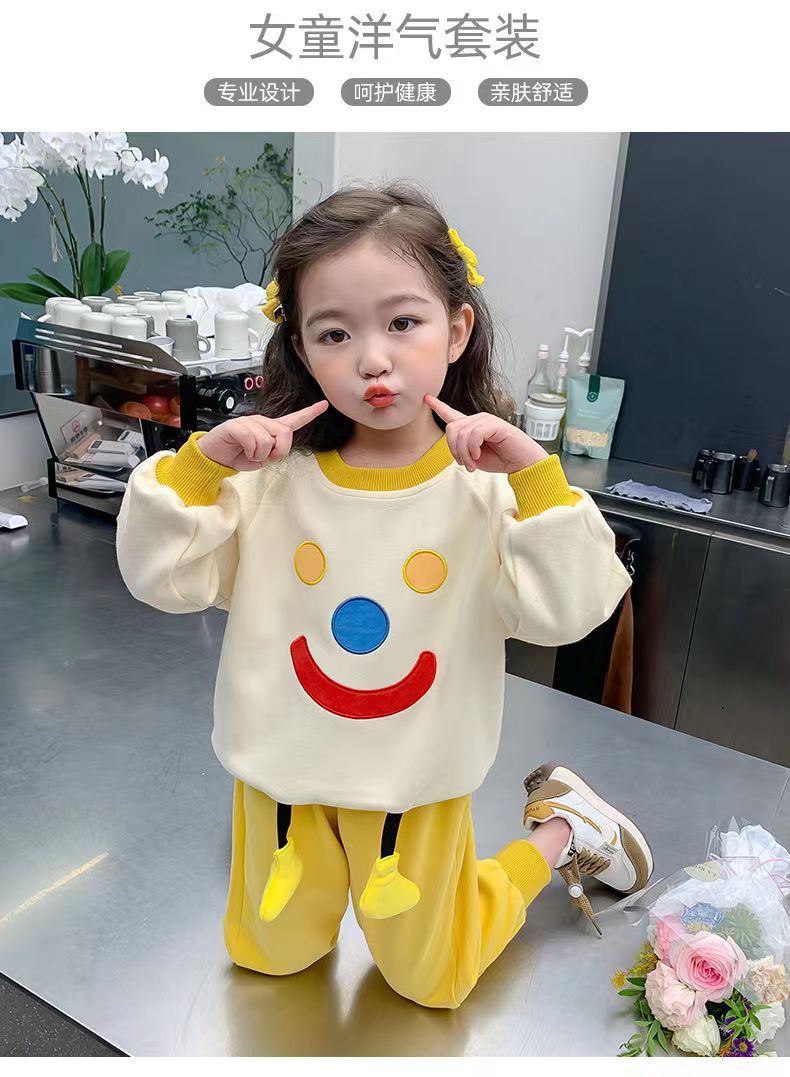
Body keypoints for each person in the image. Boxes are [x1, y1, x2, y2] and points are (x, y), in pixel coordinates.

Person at [116, 181, 653, 1011]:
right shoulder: (268, 480)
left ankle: (563, 830)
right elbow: (161, 578)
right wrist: (199, 465)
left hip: (416, 783)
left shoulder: (487, 490)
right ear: (302, 350)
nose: (372, 359)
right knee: (270, 953)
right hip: (282, 778)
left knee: (433, 978)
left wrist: (535, 477)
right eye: (335, 333)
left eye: (403, 322)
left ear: (457, 328)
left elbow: (572, 609)